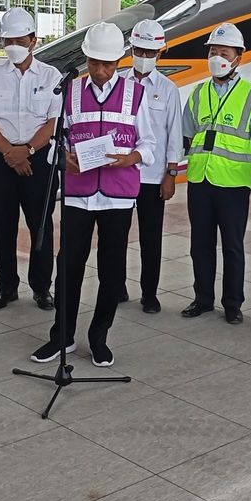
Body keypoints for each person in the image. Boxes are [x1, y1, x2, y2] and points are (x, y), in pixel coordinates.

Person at [29, 23, 155, 368]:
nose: (101, 71)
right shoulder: (69, 92)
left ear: (119, 61)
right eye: (95, 62)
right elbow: (56, 142)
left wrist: (132, 157)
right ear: (85, 58)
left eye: (109, 64)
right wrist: (62, 159)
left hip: (117, 195)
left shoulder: (136, 94)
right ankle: (62, 336)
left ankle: (99, 337)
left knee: (111, 270)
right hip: (78, 193)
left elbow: (150, 144)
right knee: (68, 265)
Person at [0, 7, 62, 313]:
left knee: (41, 226)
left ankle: (42, 289)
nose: (13, 44)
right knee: (3, 225)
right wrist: (11, 153)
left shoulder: (52, 76)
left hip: (39, 160)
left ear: (33, 40)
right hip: (1, 159)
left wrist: (28, 151)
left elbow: (53, 121)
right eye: (8, 39)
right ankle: (6, 287)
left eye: (19, 39)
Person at [180, 21, 251, 324]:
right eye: (212, 51)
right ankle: (202, 298)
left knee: (232, 245)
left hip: (233, 183)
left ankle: (233, 304)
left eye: (223, 52)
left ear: (238, 57)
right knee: (200, 244)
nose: (216, 57)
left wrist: (239, 163)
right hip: (199, 179)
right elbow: (189, 135)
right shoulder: (197, 93)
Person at [117, 19, 182, 314]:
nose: (144, 56)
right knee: (116, 233)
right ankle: (117, 286)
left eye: (150, 51)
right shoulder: (118, 83)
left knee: (150, 237)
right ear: (132, 49)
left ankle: (149, 294)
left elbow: (173, 134)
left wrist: (170, 175)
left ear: (160, 52)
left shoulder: (168, 89)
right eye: (140, 50)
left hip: (153, 177)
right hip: (120, 172)